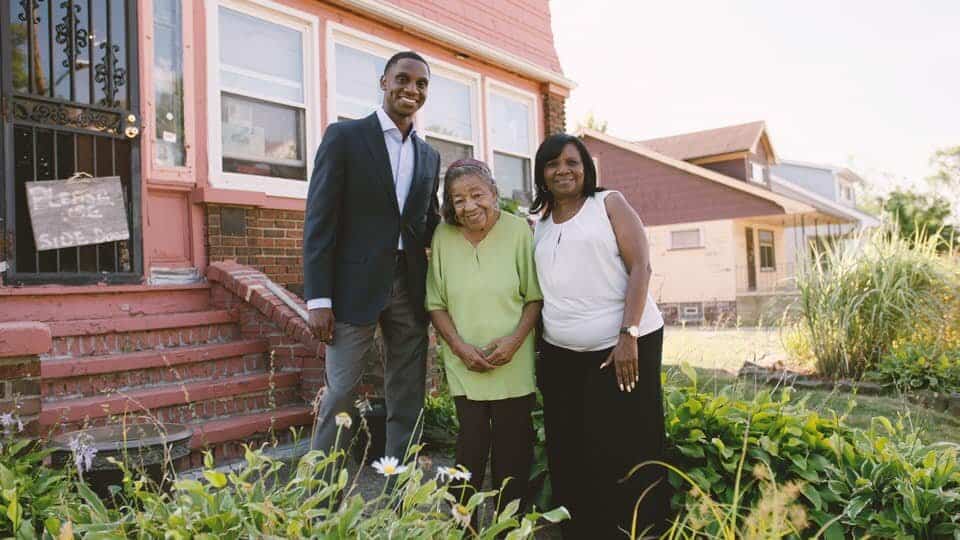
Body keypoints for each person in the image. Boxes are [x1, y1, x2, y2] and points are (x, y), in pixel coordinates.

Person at [303, 51, 441, 465]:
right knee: (341, 392)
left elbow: (427, 222)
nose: (411, 90)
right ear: (383, 82)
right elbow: (319, 221)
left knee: (408, 394)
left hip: (408, 286)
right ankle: (319, 502)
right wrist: (318, 299)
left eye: (421, 84)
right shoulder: (344, 138)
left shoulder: (429, 156)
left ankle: (400, 494)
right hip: (352, 289)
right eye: (402, 79)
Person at [532, 134, 669, 538]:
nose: (563, 170)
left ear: (586, 168)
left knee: (627, 443)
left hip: (624, 344)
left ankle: (638, 530)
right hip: (561, 354)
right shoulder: (538, 223)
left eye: (572, 162)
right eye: (553, 163)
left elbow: (641, 266)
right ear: (542, 172)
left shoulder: (608, 203)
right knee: (569, 447)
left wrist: (627, 333)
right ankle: (581, 530)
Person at [426, 159, 543, 510]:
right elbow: (435, 303)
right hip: (465, 364)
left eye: (477, 194)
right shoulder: (443, 236)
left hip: (513, 361)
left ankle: (510, 529)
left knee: (512, 452)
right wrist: (460, 349)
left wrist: (514, 341)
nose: (469, 205)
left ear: (493, 193)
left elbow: (534, 297)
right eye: (458, 198)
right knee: (469, 450)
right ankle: (465, 527)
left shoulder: (518, 230)